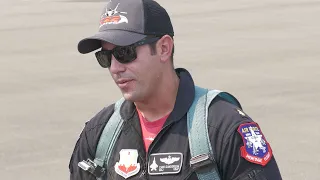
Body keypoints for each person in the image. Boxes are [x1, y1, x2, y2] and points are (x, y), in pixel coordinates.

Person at [69, 0, 283, 179]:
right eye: (105, 57)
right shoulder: (98, 134)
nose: (115, 68)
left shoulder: (223, 129)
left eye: (125, 53)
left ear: (164, 48)